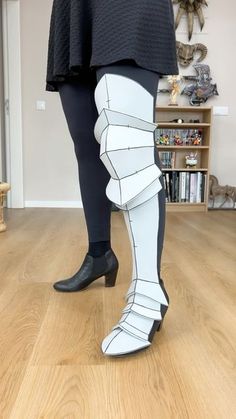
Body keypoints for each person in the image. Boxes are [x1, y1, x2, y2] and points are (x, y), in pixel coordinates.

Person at [45, 0, 179, 356]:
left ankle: (150, 291)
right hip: (74, 9)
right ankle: (100, 255)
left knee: (126, 142)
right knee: (89, 148)